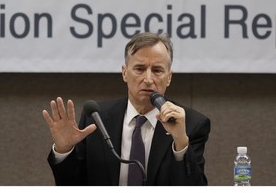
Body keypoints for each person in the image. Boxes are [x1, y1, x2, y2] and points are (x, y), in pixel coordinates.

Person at [42, 32, 211, 186]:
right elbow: (72, 185)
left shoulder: (190, 124)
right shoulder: (97, 118)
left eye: (157, 70)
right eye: (139, 69)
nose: (148, 79)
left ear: (169, 78)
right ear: (124, 73)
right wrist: (64, 150)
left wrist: (181, 142)